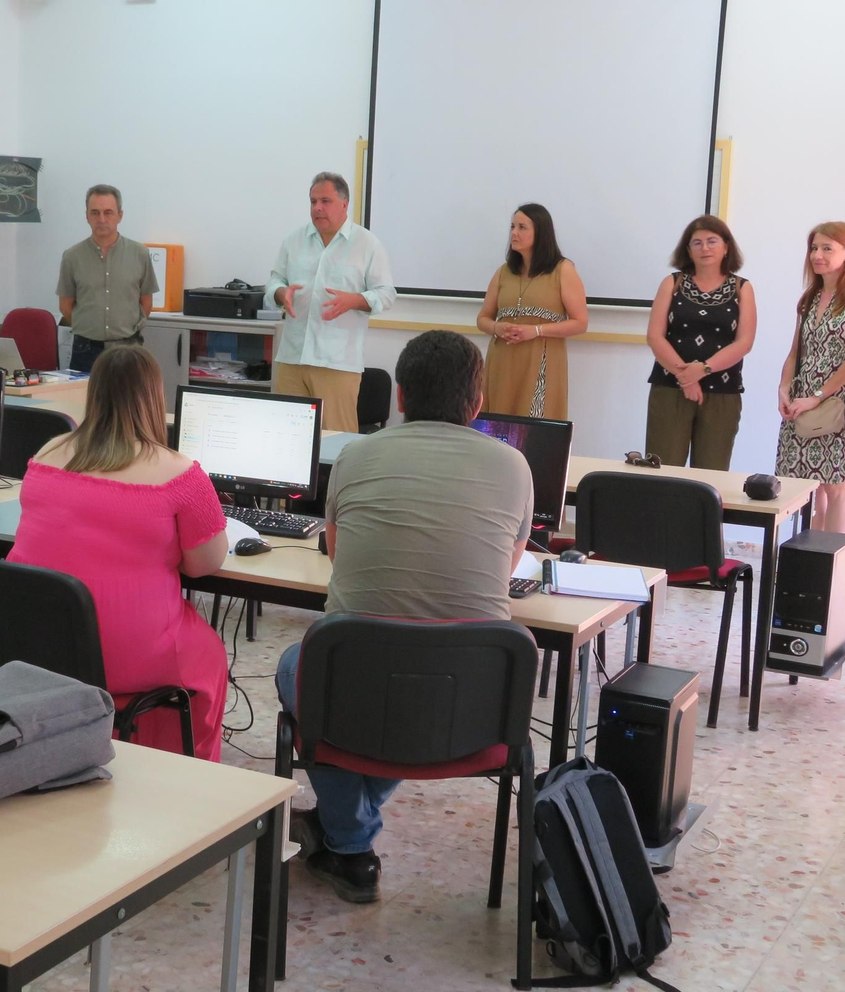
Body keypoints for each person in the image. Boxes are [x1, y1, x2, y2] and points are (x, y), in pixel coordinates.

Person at [276, 329, 533, 903]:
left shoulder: (355, 455)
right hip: (472, 705)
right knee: (409, 676)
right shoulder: (515, 466)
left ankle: (349, 841)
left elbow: (339, 554)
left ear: (398, 395)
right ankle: (348, 831)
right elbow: (507, 564)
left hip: (355, 688)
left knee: (298, 666)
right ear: (477, 401)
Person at [8, 345, 230, 761]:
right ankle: (184, 769)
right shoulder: (181, 474)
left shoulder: (46, 455)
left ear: (93, 394)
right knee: (209, 655)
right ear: (154, 397)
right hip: (126, 654)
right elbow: (204, 565)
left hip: (37, 643)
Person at [265, 172, 396, 433]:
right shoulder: (293, 241)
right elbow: (274, 280)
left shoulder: (367, 244)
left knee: (335, 442)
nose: (317, 208)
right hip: (292, 358)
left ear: (344, 204)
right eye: (313, 202)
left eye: (325, 201)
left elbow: (386, 293)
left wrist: (355, 300)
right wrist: (281, 293)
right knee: (283, 438)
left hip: (336, 363)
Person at [775, 222, 845, 533]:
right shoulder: (810, 297)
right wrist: (784, 388)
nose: (817, 255)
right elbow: (796, 352)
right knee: (808, 489)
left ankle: (832, 567)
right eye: (814, 248)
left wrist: (817, 396)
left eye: (826, 248)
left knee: (836, 488)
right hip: (802, 399)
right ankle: (808, 562)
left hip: (839, 402)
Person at [644, 215, 757, 470]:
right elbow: (654, 336)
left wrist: (702, 369)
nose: (705, 248)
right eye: (697, 243)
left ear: (726, 247)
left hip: (722, 393)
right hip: (670, 389)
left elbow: (744, 343)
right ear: (688, 250)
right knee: (663, 471)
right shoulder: (672, 283)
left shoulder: (742, 288)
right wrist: (686, 377)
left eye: (712, 241)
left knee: (711, 474)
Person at [475, 204, 588, 419]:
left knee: (533, 427)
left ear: (540, 232)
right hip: (502, 360)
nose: (514, 233)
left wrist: (535, 330)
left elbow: (580, 323)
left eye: (522, 227)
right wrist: (497, 327)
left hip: (541, 358)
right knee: (498, 423)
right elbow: (483, 319)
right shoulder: (504, 271)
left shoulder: (563, 270)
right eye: (512, 226)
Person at [57, 184, 160, 373]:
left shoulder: (140, 254)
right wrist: (91, 327)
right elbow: (65, 306)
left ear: (120, 215)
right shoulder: (72, 257)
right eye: (95, 212)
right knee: (85, 402)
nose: (101, 219)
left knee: (128, 402)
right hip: (85, 350)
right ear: (86, 216)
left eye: (108, 212)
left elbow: (146, 302)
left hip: (128, 348)